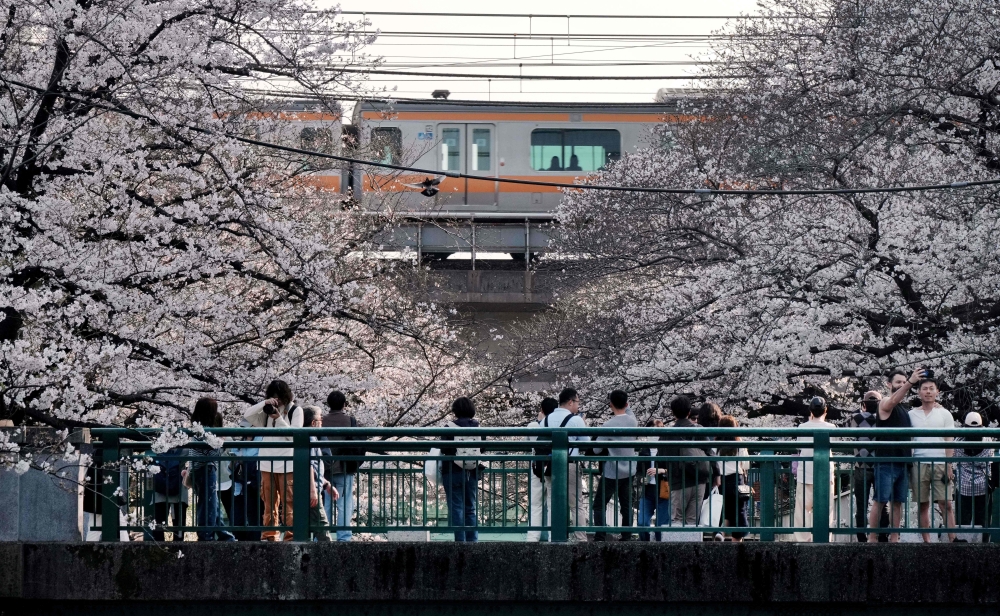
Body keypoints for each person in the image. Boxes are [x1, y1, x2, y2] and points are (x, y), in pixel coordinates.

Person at [242, 379, 303, 541]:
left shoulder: (295, 411)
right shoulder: (266, 413)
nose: (278, 401)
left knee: (289, 502)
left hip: (287, 463)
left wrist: (278, 418)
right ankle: (270, 535)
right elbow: (247, 414)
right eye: (274, 398)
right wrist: (264, 403)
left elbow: (294, 437)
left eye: (280, 398)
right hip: (267, 462)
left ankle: (291, 536)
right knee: (269, 503)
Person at [868, 368, 917, 543]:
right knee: (880, 500)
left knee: (898, 502)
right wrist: (911, 382)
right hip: (886, 460)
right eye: (898, 382)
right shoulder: (885, 403)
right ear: (889, 384)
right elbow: (894, 399)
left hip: (903, 461)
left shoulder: (904, 409)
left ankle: (894, 536)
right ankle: (872, 537)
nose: (902, 385)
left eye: (904, 383)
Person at [908, 374, 957, 542]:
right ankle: (927, 541)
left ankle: (952, 538)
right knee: (923, 504)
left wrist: (949, 464)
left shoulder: (945, 414)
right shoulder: (911, 414)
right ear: (919, 392)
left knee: (946, 503)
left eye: (931, 389)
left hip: (940, 462)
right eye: (924, 389)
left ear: (937, 392)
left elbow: (949, 440)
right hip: (919, 461)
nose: (928, 392)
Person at [652, 396, 712, 528]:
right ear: (689, 412)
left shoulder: (667, 434)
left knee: (676, 520)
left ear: (673, 413)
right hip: (699, 479)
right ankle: (692, 547)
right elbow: (710, 453)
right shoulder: (699, 430)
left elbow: (660, 460)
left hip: (678, 481)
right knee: (692, 521)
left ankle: (677, 548)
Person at [183, 398, 236, 541]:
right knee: (209, 505)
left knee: (212, 504)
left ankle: (224, 535)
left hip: (199, 468)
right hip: (206, 468)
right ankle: (206, 535)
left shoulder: (196, 428)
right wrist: (222, 443)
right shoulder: (204, 432)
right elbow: (212, 451)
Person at [590, 390, 638, 541]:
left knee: (599, 505)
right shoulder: (633, 421)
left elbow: (596, 450)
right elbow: (628, 410)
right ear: (626, 403)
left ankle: (600, 536)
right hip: (629, 469)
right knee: (626, 506)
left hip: (612, 471)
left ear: (610, 404)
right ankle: (626, 537)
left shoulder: (608, 425)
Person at [545, 388, 590, 542]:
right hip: (569, 464)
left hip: (550, 466)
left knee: (553, 503)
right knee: (575, 504)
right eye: (577, 402)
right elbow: (586, 443)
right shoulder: (576, 420)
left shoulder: (546, 419)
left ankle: (555, 538)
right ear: (570, 402)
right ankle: (580, 538)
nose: (578, 406)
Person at [321, 390, 364, 541]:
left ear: (328, 404)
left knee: (326, 503)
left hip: (324, 469)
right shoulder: (350, 421)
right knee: (344, 504)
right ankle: (344, 537)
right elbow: (359, 444)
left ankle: (322, 535)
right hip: (344, 467)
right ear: (344, 405)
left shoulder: (320, 421)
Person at [793, 396, 837, 542]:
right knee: (826, 509)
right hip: (825, 473)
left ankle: (802, 539)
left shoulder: (802, 428)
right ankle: (824, 538)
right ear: (826, 411)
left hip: (805, 473)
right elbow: (834, 447)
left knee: (802, 510)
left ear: (810, 411)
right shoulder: (831, 428)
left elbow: (799, 447)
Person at [440, 397, 482, 542]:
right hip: (472, 471)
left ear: (455, 410)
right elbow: (483, 447)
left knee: (456, 507)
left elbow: (444, 447)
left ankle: (460, 542)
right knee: (470, 508)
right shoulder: (478, 427)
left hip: (452, 471)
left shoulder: (449, 427)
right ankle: (472, 541)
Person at [850, 391, 889, 542]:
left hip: (861, 466)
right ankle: (883, 535)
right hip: (880, 465)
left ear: (864, 404)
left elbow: (847, 430)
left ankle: (861, 536)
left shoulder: (856, 418)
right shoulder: (885, 418)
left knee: (861, 505)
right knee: (882, 503)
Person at [953, 411, 993, 542]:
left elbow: (955, 459)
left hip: (963, 484)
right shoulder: (988, 441)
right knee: (983, 520)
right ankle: (983, 544)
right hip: (982, 486)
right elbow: (989, 464)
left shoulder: (958, 442)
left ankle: (962, 543)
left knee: (962, 520)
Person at [527, 397, 559, 542]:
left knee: (535, 504)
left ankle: (533, 537)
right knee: (553, 504)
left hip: (536, 469)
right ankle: (554, 537)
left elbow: (526, 444)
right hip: (553, 468)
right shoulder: (558, 425)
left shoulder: (533, 426)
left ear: (542, 410)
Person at [303, 406, 337, 542]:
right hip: (312, 490)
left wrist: (326, 483)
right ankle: (329, 559)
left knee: (310, 525)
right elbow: (309, 466)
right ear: (313, 423)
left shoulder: (310, 438)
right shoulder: (310, 439)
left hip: (315, 487)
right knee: (322, 526)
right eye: (320, 419)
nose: (322, 421)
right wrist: (313, 490)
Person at [636, 418, 670, 541]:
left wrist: (661, 470)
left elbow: (675, 469)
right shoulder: (643, 451)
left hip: (663, 490)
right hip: (648, 490)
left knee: (661, 528)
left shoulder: (666, 450)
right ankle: (645, 545)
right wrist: (641, 479)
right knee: (642, 523)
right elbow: (638, 471)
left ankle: (660, 550)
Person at [230, 418, 263, 541]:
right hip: (239, 485)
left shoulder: (261, 440)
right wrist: (234, 463)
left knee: (254, 518)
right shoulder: (238, 443)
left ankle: (255, 544)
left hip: (254, 485)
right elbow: (230, 468)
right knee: (237, 519)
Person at [718, 415, 749, 541]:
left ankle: (720, 532)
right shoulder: (738, 442)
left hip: (720, 480)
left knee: (722, 510)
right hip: (736, 479)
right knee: (738, 512)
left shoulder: (715, 442)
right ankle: (737, 543)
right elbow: (746, 463)